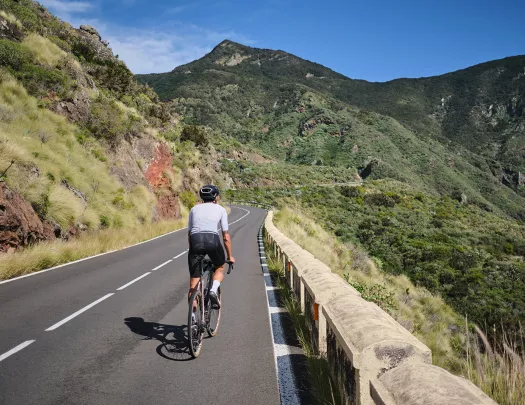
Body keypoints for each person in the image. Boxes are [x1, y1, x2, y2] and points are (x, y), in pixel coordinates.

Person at [187, 185, 235, 309]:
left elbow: (190, 233)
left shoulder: (194, 209)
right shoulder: (221, 209)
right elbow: (226, 237)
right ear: (215, 197)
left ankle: (192, 319)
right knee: (219, 267)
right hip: (212, 240)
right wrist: (230, 256)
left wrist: (193, 250)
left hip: (195, 241)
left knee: (193, 285)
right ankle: (213, 290)